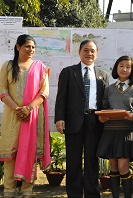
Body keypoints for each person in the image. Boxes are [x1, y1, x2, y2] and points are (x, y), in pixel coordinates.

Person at [54, 40, 109, 197]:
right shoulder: (68, 72)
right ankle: (74, 193)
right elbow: (61, 98)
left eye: (92, 51)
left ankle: (92, 193)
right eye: (86, 50)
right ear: (79, 52)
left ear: (96, 54)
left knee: (92, 160)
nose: (89, 53)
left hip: (95, 122)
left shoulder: (102, 75)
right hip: (73, 122)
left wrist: (106, 117)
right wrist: (59, 118)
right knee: (73, 160)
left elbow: (105, 101)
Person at [0, 34, 50, 198]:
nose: (31, 50)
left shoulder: (40, 67)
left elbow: (44, 92)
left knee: (30, 152)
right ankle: (9, 189)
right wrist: (17, 109)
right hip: (12, 115)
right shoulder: (8, 66)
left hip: (32, 115)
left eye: (33, 47)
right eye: (27, 46)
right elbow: (2, 90)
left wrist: (28, 108)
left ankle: (27, 188)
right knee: (10, 153)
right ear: (18, 47)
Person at [96, 55, 133, 198]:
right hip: (110, 131)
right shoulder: (109, 89)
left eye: (128, 67)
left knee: (123, 166)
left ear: (132, 70)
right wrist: (102, 117)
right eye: (121, 66)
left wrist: (132, 115)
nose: (124, 69)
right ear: (116, 68)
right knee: (114, 166)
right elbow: (103, 108)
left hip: (126, 132)